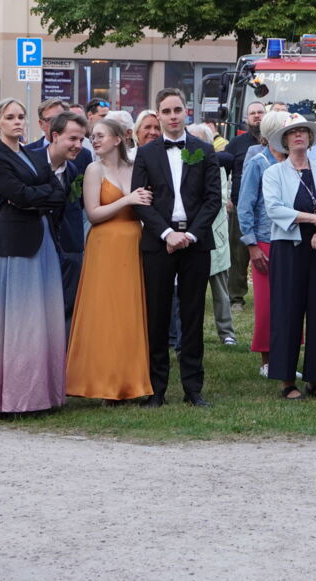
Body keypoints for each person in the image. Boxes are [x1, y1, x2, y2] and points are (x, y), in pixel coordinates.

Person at [131, 88, 222, 407]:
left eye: (177, 110)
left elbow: (213, 199)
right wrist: (167, 234)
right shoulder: (146, 153)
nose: (172, 116)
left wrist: (191, 235)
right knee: (157, 315)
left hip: (196, 243)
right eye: (166, 111)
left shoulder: (204, 150)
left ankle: (193, 387)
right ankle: (156, 387)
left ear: (187, 112)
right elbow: (140, 200)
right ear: (157, 115)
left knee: (193, 314)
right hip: (159, 243)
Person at [0, 99, 68, 415]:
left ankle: (44, 395)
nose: (17, 121)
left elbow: (58, 194)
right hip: (14, 244)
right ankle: (15, 398)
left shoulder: (33, 154)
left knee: (44, 316)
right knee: (18, 321)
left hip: (42, 239)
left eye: (21, 116)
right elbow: (17, 194)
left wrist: (34, 198)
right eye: (10, 117)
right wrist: (38, 196)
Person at [262, 116, 316, 400]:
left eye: (303, 131)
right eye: (293, 132)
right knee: (287, 311)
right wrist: (314, 219)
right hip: (289, 248)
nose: (299, 135)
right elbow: (274, 208)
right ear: (285, 140)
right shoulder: (274, 172)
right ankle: (287, 380)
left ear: (311, 138)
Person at [66, 119, 155, 401]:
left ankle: (130, 380)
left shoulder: (135, 168)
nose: (94, 140)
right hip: (104, 244)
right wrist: (127, 200)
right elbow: (93, 213)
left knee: (129, 311)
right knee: (104, 311)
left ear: (118, 139)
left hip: (133, 241)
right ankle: (101, 381)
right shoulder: (94, 170)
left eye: (100, 135)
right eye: (92, 136)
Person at [238, 111, 291, 375]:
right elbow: (245, 206)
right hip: (265, 241)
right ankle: (267, 362)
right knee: (267, 305)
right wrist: (252, 245)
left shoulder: (295, 162)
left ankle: (286, 358)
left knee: (289, 303)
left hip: (291, 239)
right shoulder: (258, 163)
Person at [189, 123, 236, 345]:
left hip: (214, 234)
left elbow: (220, 201)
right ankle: (189, 333)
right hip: (190, 237)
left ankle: (226, 332)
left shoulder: (218, 168)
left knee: (220, 289)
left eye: (199, 140)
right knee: (190, 292)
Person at [45, 112, 90, 323]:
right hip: (35, 248)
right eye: (73, 139)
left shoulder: (73, 169)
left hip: (68, 248)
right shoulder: (31, 162)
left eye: (81, 139)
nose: (78, 145)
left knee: (66, 308)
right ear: (55, 136)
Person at [222, 100, 266, 315]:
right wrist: (227, 197)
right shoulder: (236, 143)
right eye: (253, 113)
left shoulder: (277, 141)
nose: (257, 116)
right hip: (241, 206)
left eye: (260, 112)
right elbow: (222, 170)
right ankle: (236, 298)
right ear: (246, 119)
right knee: (238, 255)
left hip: (268, 210)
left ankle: (268, 294)